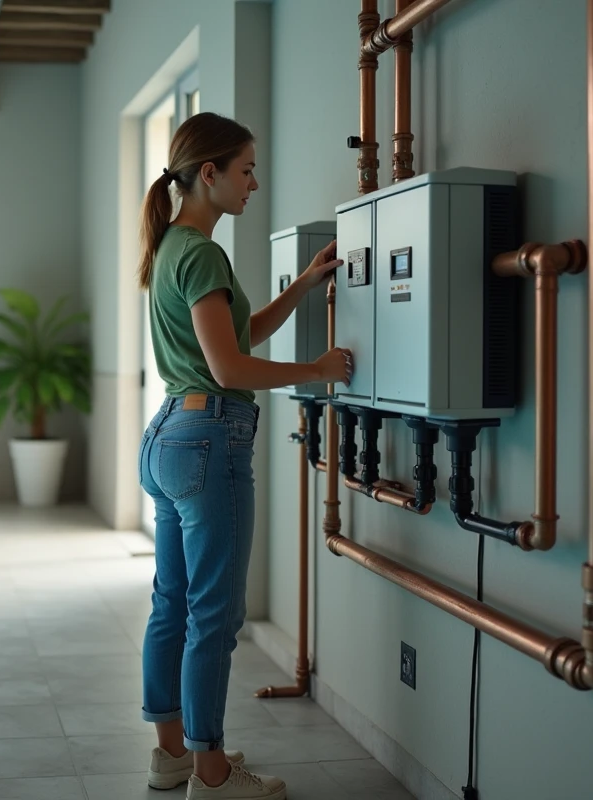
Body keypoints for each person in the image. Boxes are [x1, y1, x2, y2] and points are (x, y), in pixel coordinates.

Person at [137, 112, 353, 800]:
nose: (254, 182)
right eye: (247, 168)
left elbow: (235, 334)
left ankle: (172, 756)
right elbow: (230, 369)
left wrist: (302, 288)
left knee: (172, 606)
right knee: (214, 618)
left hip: (171, 436)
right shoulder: (202, 252)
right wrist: (316, 370)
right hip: (209, 440)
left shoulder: (172, 247)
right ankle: (212, 774)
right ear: (210, 174)